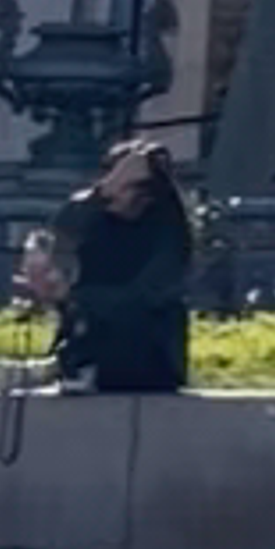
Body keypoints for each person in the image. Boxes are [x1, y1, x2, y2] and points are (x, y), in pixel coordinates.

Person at [49, 139, 197, 395]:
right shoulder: (96, 215)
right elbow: (64, 226)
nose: (116, 195)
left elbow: (146, 296)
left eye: (129, 187)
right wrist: (104, 191)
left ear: (149, 195)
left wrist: (74, 298)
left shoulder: (168, 232)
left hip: (148, 355)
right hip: (87, 346)